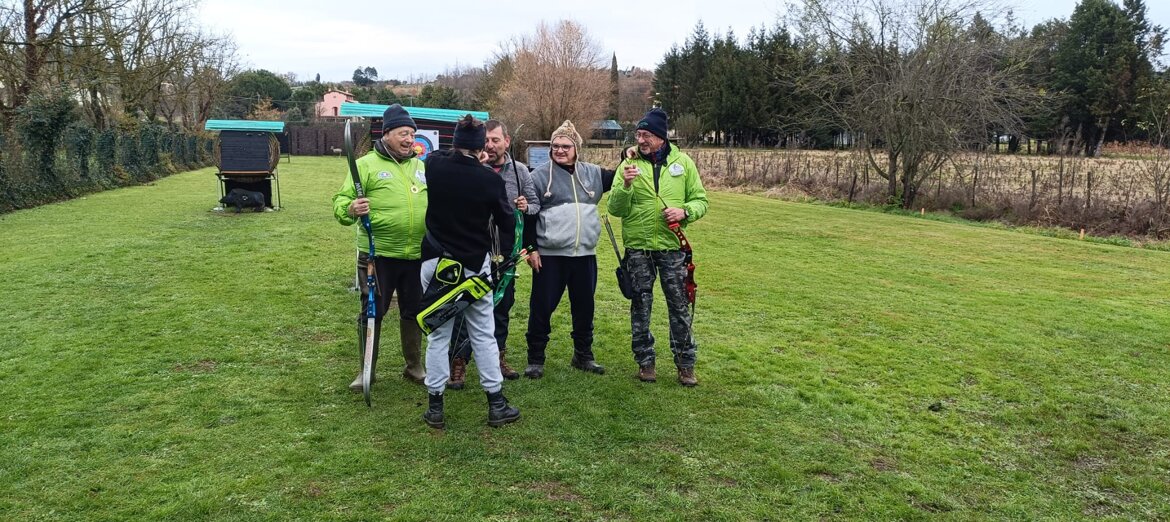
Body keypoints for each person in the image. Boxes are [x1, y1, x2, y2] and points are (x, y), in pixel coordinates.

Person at [419, 115, 520, 429]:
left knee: (438, 336)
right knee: (483, 335)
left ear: (454, 142)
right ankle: (496, 403)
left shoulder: (434, 166)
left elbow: (439, 154)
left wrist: (469, 155)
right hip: (474, 268)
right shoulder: (489, 179)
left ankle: (435, 406)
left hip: (435, 263)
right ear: (481, 148)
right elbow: (506, 222)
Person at [607, 108, 709, 386]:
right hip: (638, 248)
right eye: (638, 135)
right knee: (640, 306)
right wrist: (625, 185)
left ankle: (685, 364)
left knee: (679, 306)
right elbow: (615, 209)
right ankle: (645, 362)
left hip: (672, 247)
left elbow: (701, 200)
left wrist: (685, 211)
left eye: (647, 135)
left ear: (661, 137)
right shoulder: (628, 165)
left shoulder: (683, 163)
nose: (641, 140)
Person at [332, 104, 428, 390]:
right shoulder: (365, 165)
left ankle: (414, 366)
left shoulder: (421, 167)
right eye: (403, 134)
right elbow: (340, 202)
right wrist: (350, 208)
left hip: (416, 255)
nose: (409, 139)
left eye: (412, 134)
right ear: (386, 134)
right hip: (378, 256)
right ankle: (366, 371)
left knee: (414, 311)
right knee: (373, 312)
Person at [447, 119, 540, 389]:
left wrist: (525, 206)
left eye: (495, 140)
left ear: (506, 142)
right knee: (464, 304)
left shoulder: (520, 171)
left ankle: (498, 357)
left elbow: (535, 205)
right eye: (485, 140)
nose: (490, 145)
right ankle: (458, 361)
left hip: (506, 252)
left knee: (501, 305)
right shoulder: (471, 167)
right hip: (473, 248)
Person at [522, 120, 613, 379]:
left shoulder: (593, 173)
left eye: (565, 146)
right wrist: (531, 248)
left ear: (576, 149)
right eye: (555, 146)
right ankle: (535, 359)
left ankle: (583, 355)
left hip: (584, 255)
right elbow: (528, 216)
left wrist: (628, 155)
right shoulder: (538, 176)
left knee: (584, 308)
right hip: (550, 256)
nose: (559, 150)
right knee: (542, 308)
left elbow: (619, 175)